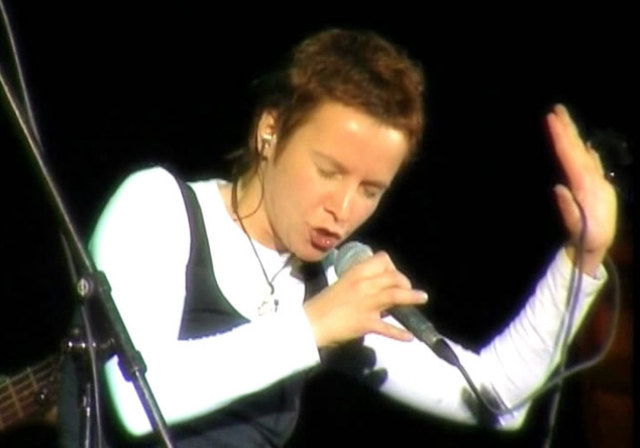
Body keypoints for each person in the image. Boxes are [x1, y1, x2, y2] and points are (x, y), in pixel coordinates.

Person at [57, 28, 617, 447]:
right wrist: (313, 326)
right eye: (328, 172)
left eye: (371, 190)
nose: (343, 210)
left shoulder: (324, 287)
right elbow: (137, 397)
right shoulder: (159, 205)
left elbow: (495, 399)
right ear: (270, 130)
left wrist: (582, 257)